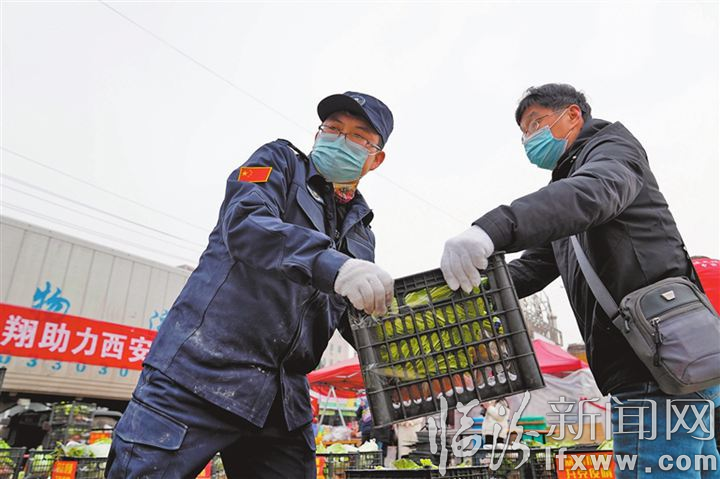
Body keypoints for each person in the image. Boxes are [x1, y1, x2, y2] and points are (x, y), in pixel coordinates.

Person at [106, 91, 395, 478]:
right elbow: (244, 223)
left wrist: (407, 357)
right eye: (333, 129)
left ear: (376, 159)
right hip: (200, 374)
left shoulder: (360, 231)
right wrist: (332, 264)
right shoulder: (277, 162)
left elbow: (356, 317)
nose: (341, 140)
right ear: (318, 134)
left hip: (281, 400)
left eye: (358, 136)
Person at [440, 83, 720, 478]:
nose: (529, 138)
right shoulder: (568, 196)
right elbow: (531, 268)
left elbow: (592, 192)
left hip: (653, 363)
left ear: (573, 114)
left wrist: (493, 228)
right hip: (662, 363)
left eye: (535, 123)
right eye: (523, 133)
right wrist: (462, 291)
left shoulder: (612, 151)